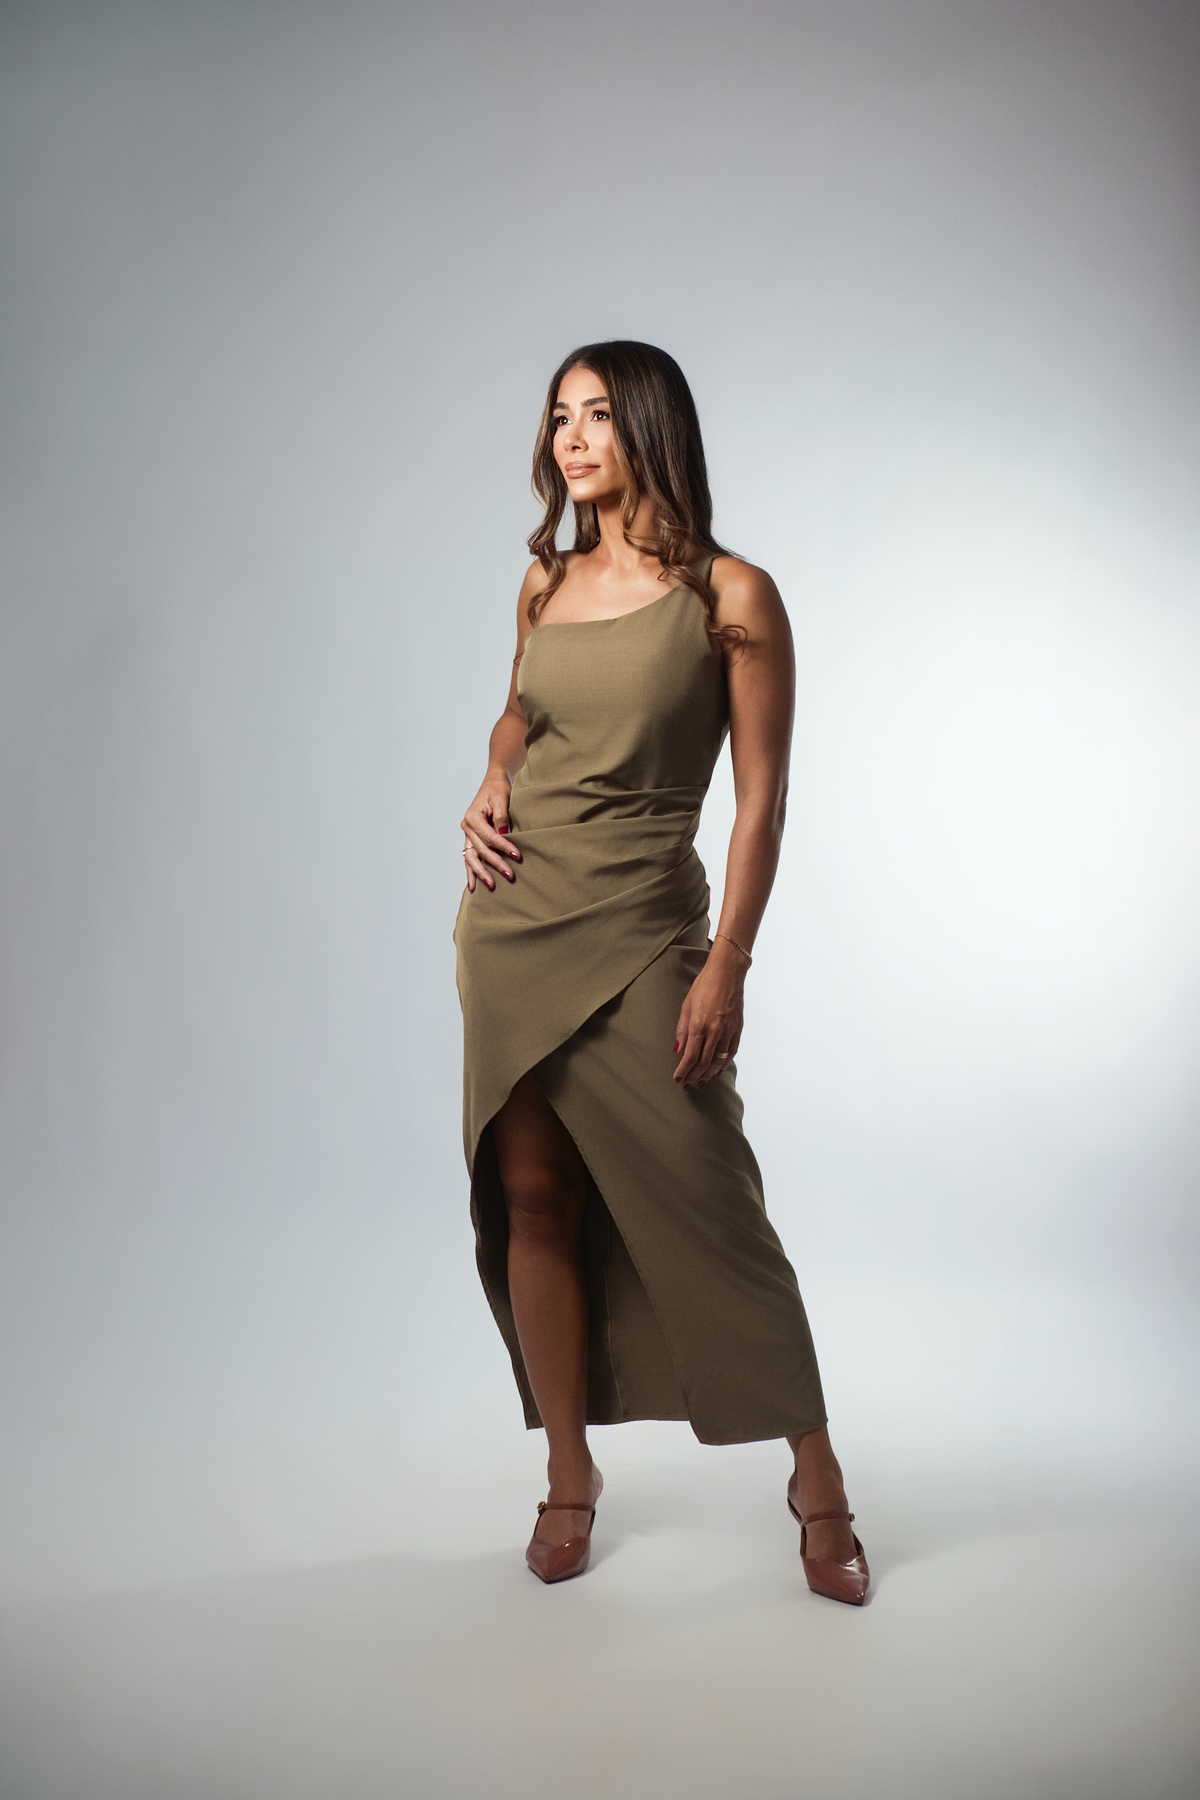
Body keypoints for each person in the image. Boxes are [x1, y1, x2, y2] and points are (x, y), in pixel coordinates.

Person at [453, 340, 868, 1605]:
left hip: (645, 929)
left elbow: (761, 802)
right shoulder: (544, 582)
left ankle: (818, 1479)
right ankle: (567, 1474)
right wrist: (491, 775)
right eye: (558, 417)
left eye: (596, 415)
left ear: (649, 427)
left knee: (713, 1201)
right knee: (534, 1200)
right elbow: (521, 713)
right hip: (512, 925)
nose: (572, 439)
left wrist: (726, 964)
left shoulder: (731, 596)